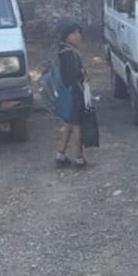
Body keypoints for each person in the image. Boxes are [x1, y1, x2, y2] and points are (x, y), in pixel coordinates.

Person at [55, 18, 88, 169]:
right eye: (73, 33)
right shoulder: (69, 53)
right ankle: (79, 158)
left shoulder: (63, 51)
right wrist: (83, 74)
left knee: (69, 124)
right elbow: (72, 77)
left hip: (69, 94)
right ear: (65, 35)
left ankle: (61, 155)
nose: (78, 36)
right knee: (77, 126)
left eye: (78, 32)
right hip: (75, 93)